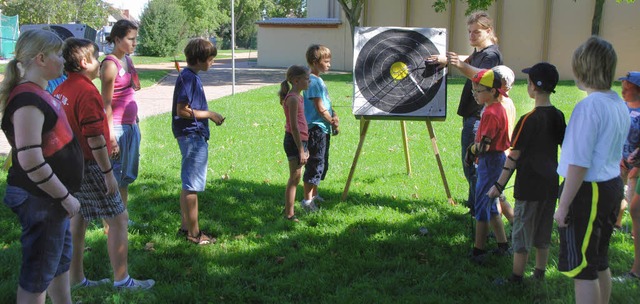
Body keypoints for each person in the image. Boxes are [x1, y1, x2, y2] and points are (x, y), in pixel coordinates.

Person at [54, 38, 155, 290]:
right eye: (96, 58)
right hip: (89, 165)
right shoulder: (87, 91)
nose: (100, 63)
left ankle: (76, 279)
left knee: (78, 218)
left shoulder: (62, 89)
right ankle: (122, 280)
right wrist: (108, 172)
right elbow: (94, 138)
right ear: (84, 62)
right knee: (119, 218)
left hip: (69, 165)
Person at [0, 29, 83, 304]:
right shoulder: (27, 100)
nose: (63, 59)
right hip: (41, 199)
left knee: (58, 263)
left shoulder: (39, 91)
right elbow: (31, 160)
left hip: (49, 200)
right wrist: (64, 196)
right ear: (41, 58)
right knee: (38, 274)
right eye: (58, 54)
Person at [554, 36, 628, 304]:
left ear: (582, 68)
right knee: (599, 260)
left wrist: (563, 206)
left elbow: (579, 163)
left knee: (583, 269)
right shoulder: (617, 102)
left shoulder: (588, 107)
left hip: (589, 191)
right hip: (611, 186)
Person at [488, 62, 566, 284]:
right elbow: (566, 147)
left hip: (528, 187)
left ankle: (516, 277)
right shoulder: (558, 116)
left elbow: (513, 156)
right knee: (543, 231)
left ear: (533, 86)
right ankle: (539, 273)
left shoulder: (528, 120)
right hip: (550, 185)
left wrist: (498, 186)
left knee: (522, 231)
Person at [428, 11, 503, 215]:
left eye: (476, 32)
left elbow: (482, 76)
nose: (471, 36)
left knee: (472, 162)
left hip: (479, 116)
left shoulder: (491, 54)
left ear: (488, 31)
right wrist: (446, 59)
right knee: (470, 161)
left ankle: (480, 207)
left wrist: (460, 65)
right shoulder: (480, 52)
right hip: (473, 113)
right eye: (469, 32)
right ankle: (476, 203)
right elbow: (470, 58)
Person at [172, 38, 224, 245]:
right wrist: (210, 114)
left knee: (188, 183)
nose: (212, 63)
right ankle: (194, 234)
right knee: (192, 185)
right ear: (201, 59)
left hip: (191, 134)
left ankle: (186, 229)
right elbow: (182, 110)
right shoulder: (190, 78)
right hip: (192, 135)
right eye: (211, 59)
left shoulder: (190, 76)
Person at [465, 68, 510, 263]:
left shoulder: (491, 113)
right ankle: (503, 245)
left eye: (479, 90)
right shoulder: (494, 108)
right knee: (491, 206)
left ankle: (479, 250)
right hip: (493, 160)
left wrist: (471, 151)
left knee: (482, 205)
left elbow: (484, 146)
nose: (475, 94)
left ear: (493, 91)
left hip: (491, 161)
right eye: (474, 90)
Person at [100, 19, 141, 212]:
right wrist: (111, 137)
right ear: (117, 39)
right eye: (131, 39)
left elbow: (130, 91)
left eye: (135, 39)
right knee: (115, 176)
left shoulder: (128, 59)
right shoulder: (110, 65)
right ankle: (110, 223)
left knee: (125, 177)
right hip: (116, 127)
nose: (134, 43)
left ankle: (122, 215)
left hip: (131, 125)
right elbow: (105, 103)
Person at [301, 44, 339, 211]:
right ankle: (307, 201)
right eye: (326, 61)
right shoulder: (313, 82)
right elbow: (319, 107)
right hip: (315, 129)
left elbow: (326, 104)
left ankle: (315, 194)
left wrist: (334, 114)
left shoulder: (318, 79)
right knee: (315, 163)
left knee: (321, 162)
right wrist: (331, 120)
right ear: (315, 62)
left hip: (322, 128)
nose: (329, 64)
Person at [615, 71, 640, 282]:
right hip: (618, 160)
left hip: (635, 167)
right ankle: (616, 223)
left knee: (633, 203)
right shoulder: (621, 107)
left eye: (627, 87)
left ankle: (632, 232)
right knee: (616, 195)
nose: (623, 90)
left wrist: (636, 165)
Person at [280, 65, 311, 222]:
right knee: (294, 177)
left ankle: (289, 211)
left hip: (300, 140)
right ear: (296, 80)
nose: (309, 81)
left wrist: (305, 146)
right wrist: (300, 149)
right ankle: (289, 214)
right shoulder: (292, 99)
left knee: (296, 177)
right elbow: (294, 126)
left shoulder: (298, 96)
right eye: (307, 79)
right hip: (294, 141)